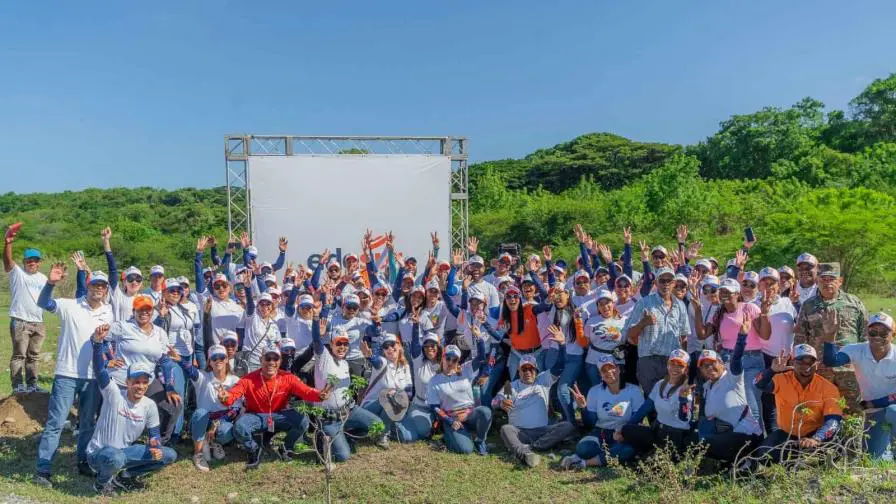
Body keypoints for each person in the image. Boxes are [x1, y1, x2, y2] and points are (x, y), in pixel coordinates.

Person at [34, 262, 115, 486]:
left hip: (93, 377)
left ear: (106, 290)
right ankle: (43, 470)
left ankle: (83, 462)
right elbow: (43, 303)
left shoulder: (109, 312)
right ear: (87, 285)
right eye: (94, 284)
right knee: (56, 423)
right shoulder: (70, 305)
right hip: (66, 374)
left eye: (102, 286)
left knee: (88, 423)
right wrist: (50, 283)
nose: (98, 288)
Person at [86, 324, 177, 496]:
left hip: (124, 454)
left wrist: (156, 446)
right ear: (127, 382)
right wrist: (98, 344)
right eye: (136, 381)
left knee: (169, 455)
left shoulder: (149, 405)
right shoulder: (113, 393)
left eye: (144, 382)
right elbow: (99, 370)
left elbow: (154, 434)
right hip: (99, 454)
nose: (140, 386)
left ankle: (125, 476)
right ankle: (101, 483)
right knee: (116, 457)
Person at [218, 342, 328, 469]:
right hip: (255, 417)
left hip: (278, 416)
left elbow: (306, 392)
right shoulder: (247, 379)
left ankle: (286, 447)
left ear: (280, 361)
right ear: (260, 360)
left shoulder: (288, 377)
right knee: (239, 427)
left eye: (275, 358)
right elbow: (232, 396)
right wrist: (225, 397)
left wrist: (319, 395)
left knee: (303, 420)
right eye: (268, 358)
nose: (271, 362)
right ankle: (254, 449)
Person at [104, 295, 183, 445]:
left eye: (147, 309)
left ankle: (159, 442)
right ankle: (118, 444)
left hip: (148, 381)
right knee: (122, 417)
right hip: (123, 381)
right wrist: (108, 360)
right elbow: (99, 338)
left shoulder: (159, 332)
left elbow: (165, 360)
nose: (144, 313)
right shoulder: (123, 326)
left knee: (174, 406)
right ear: (134, 311)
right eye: (140, 310)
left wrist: (169, 387)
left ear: (152, 312)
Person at [309, 301, 382, 463]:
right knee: (343, 456)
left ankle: (345, 431)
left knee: (377, 424)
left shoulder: (345, 362)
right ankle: (325, 435)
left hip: (348, 411)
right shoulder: (324, 358)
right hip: (329, 417)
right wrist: (315, 316)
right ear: (331, 344)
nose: (342, 347)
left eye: (345, 344)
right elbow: (316, 341)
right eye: (338, 343)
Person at [751, 344, 843, 464]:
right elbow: (757, 383)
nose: (806, 367)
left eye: (811, 362)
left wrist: (816, 438)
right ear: (793, 363)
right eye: (800, 362)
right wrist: (771, 370)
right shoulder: (781, 379)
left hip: (815, 434)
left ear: (817, 365)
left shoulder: (828, 388)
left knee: (835, 452)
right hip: (787, 434)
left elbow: (833, 421)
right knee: (763, 455)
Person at [794, 262, 867, 412]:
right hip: (820, 369)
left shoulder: (854, 303)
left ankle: (852, 436)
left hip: (849, 370)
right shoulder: (809, 305)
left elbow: (865, 334)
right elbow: (801, 338)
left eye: (831, 279)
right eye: (823, 279)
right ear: (817, 281)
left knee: (853, 411)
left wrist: (865, 363)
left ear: (840, 281)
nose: (827, 283)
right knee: (821, 410)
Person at [823, 312, 896, 459]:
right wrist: (829, 335)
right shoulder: (856, 349)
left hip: (890, 407)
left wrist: (872, 403)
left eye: (883, 333)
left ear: (893, 335)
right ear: (867, 333)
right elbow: (831, 361)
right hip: (873, 413)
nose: (877, 337)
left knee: (893, 411)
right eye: (873, 332)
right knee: (872, 458)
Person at [495, 329, 571, 468]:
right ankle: (524, 453)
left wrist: (562, 344)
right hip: (519, 432)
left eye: (531, 369)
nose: (528, 372)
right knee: (506, 429)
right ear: (519, 371)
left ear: (536, 371)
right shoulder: (509, 386)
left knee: (567, 426)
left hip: (542, 430)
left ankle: (533, 447)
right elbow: (496, 401)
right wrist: (501, 403)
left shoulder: (544, 380)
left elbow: (560, 366)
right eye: (524, 369)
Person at [696, 322, 763, 464]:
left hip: (747, 435)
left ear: (721, 363)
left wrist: (742, 337)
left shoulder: (731, 377)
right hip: (726, 434)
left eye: (712, 363)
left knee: (705, 444)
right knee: (693, 438)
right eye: (704, 366)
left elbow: (736, 359)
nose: (709, 368)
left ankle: (745, 463)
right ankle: (730, 463)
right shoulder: (706, 388)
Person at [561, 355, 643, 469]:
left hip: (624, 433)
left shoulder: (634, 390)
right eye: (604, 370)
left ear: (618, 369)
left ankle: (583, 462)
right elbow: (591, 423)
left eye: (611, 367)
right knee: (583, 449)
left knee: (629, 450)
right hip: (601, 432)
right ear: (600, 375)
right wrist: (583, 408)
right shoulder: (595, 391)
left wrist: (622, 432)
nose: (609, 372)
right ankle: (608, 453)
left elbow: (637, 419)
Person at [705, 278, 767, 428]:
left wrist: (764, 313)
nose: (724, 294)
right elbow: (704, 334)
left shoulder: (750, 308)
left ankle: (757, 442)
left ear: (737, 293)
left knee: (751, 403)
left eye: (728, 292)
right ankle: (739, 438)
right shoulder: (718, 313)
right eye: (722, 291)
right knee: (732, 402)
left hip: (752, 360)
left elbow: (765, 335)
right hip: (728, 360)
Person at [616, 349, 696, 459]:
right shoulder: (660, 384)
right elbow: (646, 407)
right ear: (667, 364)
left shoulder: (685, 389)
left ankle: (655, 455)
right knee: (627, 429)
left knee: (654, 469)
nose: (675, 368)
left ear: (686, 369)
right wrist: (624, 427)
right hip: (657, 430)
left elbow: (685, 418)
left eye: (680, 366)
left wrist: (683, 399)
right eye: (672, 364)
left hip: (674, 435)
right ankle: (650, 452)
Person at [623, 267, 691, 396]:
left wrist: (685, 363)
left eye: (669, 280)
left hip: (673, 361)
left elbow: (683, 337)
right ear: (655, 283)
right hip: (649, 360)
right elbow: (629, 334)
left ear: (674, 283)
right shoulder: (644, 303)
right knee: (651, 399)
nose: (666, 284)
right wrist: (643, 323)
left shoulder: (680, 305)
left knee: (670, 397)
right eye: (662, 280)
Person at [4, 223, 48, 394]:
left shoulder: (43, 278)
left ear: (39, 262)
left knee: (34, 356)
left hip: (38, 322)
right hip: (20, 321)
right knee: (19, 355)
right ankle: (17, 386)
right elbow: (7, 262)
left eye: (35, 260)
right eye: (29, 260)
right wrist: (8, 242)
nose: (32, 263)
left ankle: (32, 384)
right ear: (24, 262)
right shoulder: (17, 274)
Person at [427, 342, 492, 455]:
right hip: (452, 417)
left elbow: (482, 357)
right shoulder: (434, 380)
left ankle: (480, 441)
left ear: (458, 361)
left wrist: (479, 338)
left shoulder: (465, 370)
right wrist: (450, 421)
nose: (450, 362)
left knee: (485, 411)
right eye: (448, 358)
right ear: (442, 358)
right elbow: (434, 407)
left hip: (470, 414)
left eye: (454, 360)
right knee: (466, 450)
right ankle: (447, 437)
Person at [756, 267, 798, 434]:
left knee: (788, 402)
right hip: (767, 360)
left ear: (778, 284)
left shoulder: (787, 302)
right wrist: (764, 312)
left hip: (788, 360)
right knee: (769, 403)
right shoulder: (754, 305)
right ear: (759, 285)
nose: (768, 286)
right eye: (764, 282)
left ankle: (790, 440)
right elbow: (764, 336)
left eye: (772, 282)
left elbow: (796, 328)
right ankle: (772, 443)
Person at [186, 344, 241, 472]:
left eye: (221, 357)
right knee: (200, 413)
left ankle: (214, 442)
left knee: (227, 432)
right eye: (214, 358)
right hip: (204, 419)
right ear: (209, 361)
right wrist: (179, 359)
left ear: (227, 359)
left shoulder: (235, 380)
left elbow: (236, 408)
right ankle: (198, 452)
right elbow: (190, 370)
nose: (218, 360)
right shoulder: (203, 377)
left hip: (223, 419)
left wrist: (217, 423)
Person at [359, 333, 413, 447]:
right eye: (386, 346)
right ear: (383, 350)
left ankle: (383, 431)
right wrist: (369, 356)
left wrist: (401, 398)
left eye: (392, 344)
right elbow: (376, 361)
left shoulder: (405, 366)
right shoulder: (383, 363)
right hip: (371, 407)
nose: (390, 348)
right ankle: (382, 435)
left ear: (399, 346)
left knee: (406, 436)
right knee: (390, 397)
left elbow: (409, 390)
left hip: (391, 406)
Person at [399, 330, 442, 443]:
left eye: (432, 345)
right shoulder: (419, 362)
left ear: (438, 347)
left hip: (440, 407)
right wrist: (416, 325)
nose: (429, 348)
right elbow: (414, 344)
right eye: (426, 346)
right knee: (422, 432)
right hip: (421, 405)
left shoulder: (445, 364)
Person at [584, 289, 628, 388]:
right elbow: (586, 343)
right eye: (601, 304)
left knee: (617, 389)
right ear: (598, 307)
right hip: (593, 362)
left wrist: (618, 337)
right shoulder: (591, 321)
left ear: (613, 303)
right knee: (598, 389)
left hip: (616, 361)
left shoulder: (624, 320)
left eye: (607, 302)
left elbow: (628, 340)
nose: (605, 306)